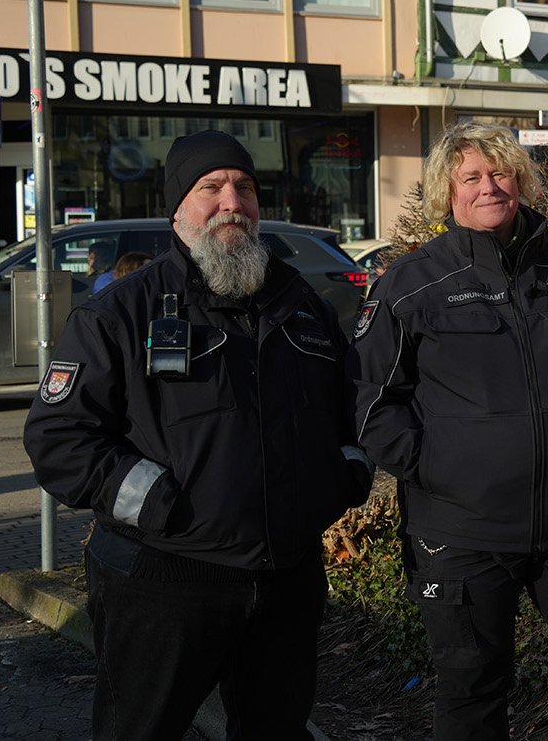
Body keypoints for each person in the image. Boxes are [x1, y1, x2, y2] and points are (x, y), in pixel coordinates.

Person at [24, 130, 373, 741]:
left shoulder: (306, 309)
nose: (231, 201)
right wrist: (160, 503)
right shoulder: (120, 315)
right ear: (179, 209)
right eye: (210, 187)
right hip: (161, 584)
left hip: (286, 583)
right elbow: (60, 440)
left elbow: (353, 411)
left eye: (244, 188)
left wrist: (343, 477)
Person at [351, 121, 548, 741]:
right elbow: (368, 403)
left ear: (522, 181)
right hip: (462, 535)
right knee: (471, 689)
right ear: (448, 193)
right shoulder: (410, 284)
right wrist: (441, 469)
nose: (489, 186)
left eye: (501, 172)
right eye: (471, 177)